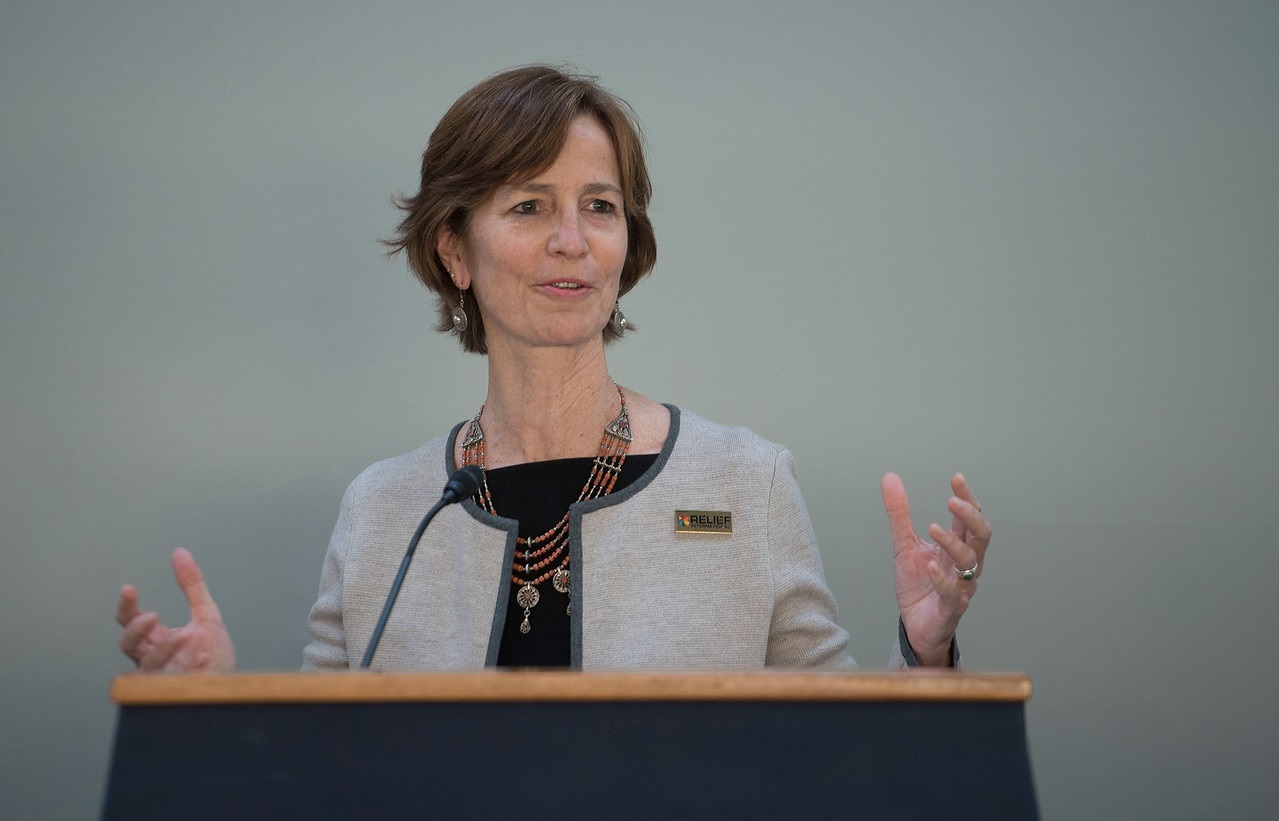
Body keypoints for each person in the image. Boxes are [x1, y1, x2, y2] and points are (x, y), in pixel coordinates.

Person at [116, 66, 990, 673]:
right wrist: (213, 704)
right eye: (530, 205)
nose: (571, 240)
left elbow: (843, 751)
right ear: (455, 249)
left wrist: (924, 649)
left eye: (598, 207)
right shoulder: (383, 510)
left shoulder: (744, 481)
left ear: (626, 244)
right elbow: (328, 764)